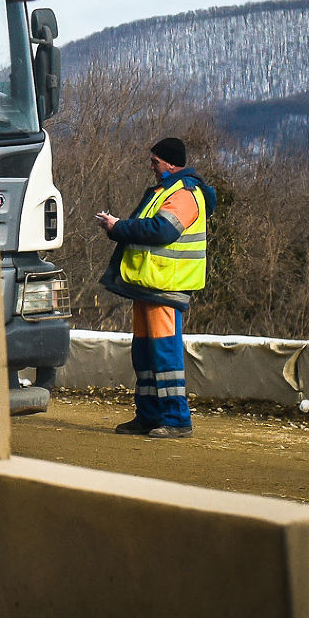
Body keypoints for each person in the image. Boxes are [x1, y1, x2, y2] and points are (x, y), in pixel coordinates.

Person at [94, 137, 216, 439]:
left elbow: (163, 230)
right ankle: (148, 416)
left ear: (171, 164)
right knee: (145, 353)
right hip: (149, 285)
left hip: (165, 286)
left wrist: (118, 226)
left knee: (164, 355)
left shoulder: (185, 193)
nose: (151, 166)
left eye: (155, 162)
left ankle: (176, 420)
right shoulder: (167, 190)